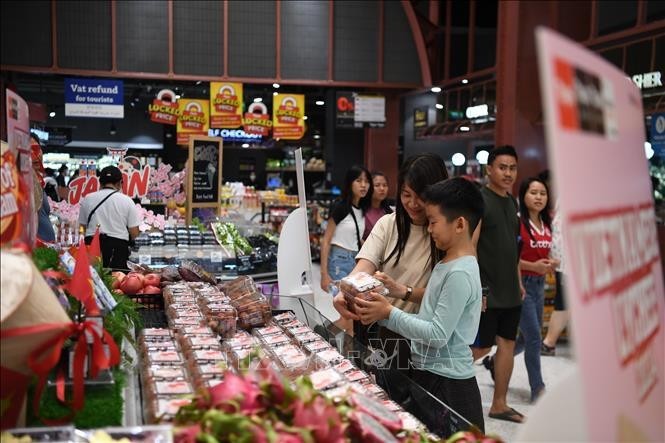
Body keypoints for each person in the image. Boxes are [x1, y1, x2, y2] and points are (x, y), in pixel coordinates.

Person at [354, 177, 485, 435]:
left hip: (449, 384)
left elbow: (437, 334)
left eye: (434, 222)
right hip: (431, 372)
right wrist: (395, 289)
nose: (429, 229)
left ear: (460, 224)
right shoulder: (448, 263)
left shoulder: (460, 272)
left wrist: (388, 313)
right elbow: (435, 307)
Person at [333, 153, 448, 395]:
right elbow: (363, 267)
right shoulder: (389, 224)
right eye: (406, 195)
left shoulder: (445, 233)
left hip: (428, 341)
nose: (413, 204)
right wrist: (346, 289)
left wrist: (403, 292)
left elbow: (446, 297)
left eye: (421, 197)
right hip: (387, 336)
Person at [471, 145, 525, 423]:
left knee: (507, 344)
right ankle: (435, 383)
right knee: (480, 348)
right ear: (489, 169)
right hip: (487, 291)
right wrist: (477, 287)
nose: (508, 173)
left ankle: (499, 404)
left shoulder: (512, 202)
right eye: (502, 167)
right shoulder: (479, 201)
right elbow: (470, 246)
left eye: (512, 168)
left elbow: (514, 248)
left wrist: (518, 281)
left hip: (510, 290)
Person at [513, 176, 554, 402]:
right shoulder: (518, 222)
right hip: (522, 285)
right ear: (524, 195)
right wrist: (533, 266)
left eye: (543, 193)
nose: (539, 197)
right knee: (535, 338)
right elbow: (510, 258)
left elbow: (544, 253)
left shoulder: (546, 224)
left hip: (540, 284)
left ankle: (494, 362)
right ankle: (538, 389)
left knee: (524, 338)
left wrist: (550, 263)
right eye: (534, 192)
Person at [320, 165, 372, 329]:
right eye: (359, 181)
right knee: (347, 315)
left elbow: (356, 238)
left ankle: (325, 339)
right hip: (339, 261)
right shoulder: (340, 207)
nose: (364, 185)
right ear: (350, 183)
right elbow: (326, 240)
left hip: (354, 262)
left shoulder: (361, 209)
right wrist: (323, 274)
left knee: (351, 315)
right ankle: (321, 338)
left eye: (366, 181)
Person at [79, 166, 140, 269]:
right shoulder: (127, 201)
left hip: (92, 245)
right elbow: (134, 233)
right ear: (120, 183)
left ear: (100, 182)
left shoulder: (88, 199)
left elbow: (81, 228)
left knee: (93, 278)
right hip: (118, 248)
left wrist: (82, 238)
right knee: (116, 280)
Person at [30, 134, 56, 242]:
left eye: (37, 148)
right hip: (36, 244)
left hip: (45, 243)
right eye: (30, 149)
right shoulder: (24, 181)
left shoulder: (38, 181)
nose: (36, 155)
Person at [362, 172, 392, 240]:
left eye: (385, 185)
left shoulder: (389, 212)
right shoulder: (361, 211)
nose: (382, 188)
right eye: (377, 185)